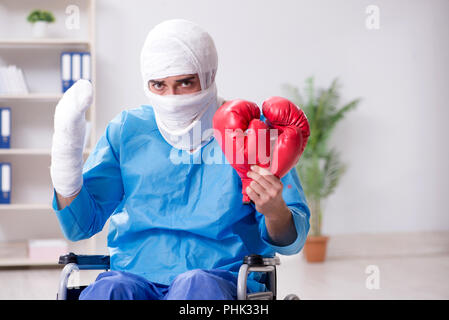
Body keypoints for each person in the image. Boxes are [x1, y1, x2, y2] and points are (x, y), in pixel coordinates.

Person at [50, 19, 310, 300]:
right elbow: (81, 225)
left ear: (208, 75)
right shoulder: (127, 130)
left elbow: (290, 242)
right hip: (136, 278)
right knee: (109, 290)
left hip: (220, 281)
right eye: (159, 85)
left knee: (194, 286)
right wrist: (66, 162)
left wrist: (274, 211)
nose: (171, 98)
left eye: (185, 83)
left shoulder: (252, 130)